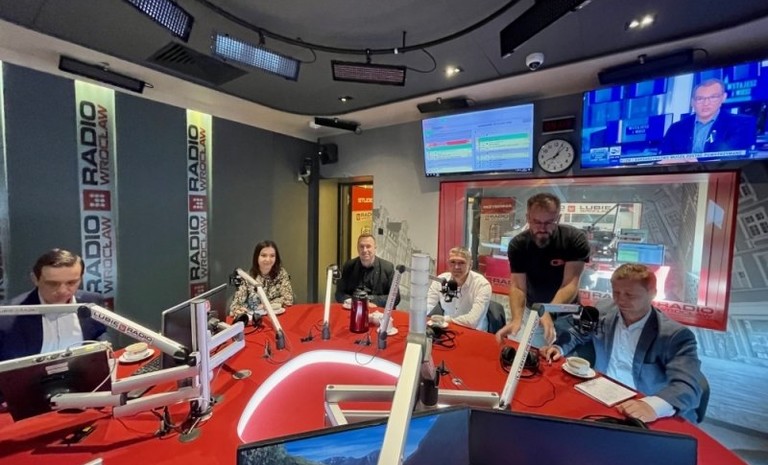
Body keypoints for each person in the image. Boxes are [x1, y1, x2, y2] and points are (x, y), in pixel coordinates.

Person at [542, 264, 706, 424]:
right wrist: (558, 347)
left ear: (652, 293)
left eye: (630, 295)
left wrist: (652, 406)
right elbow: (579, 332)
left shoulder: (674, 335)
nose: (620, 300)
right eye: (616, 292)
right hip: (600, 393)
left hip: (642, 405)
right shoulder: (604, 309)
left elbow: (688, 386)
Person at [496, 193, 590, 347]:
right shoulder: (518, 245)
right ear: (528, 218)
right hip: (533, 311)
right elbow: (518, 287)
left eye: (549, 222)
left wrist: (548, 310)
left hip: (565, 314)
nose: (542, 228)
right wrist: (516, 319)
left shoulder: (574, 239)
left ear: (558, 218)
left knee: (561, 355)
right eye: (536, 222)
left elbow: (570, 284)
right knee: (532, 354)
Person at [0, 248, 108, 362]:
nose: (62, 291)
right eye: (52, 284)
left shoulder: (92, 301)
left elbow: (101, 335)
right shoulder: (7, 317)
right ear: (35, 279)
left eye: (71, 282)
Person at [660, 78, 756, 156]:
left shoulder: (743, 124)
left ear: (723, 98)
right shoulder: (676, 128)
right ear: (692, 102)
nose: (706, 103)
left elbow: (732, 156)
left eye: (713, 97)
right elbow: (663, 158)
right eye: (700, 98)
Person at [427, 246, 492, 330]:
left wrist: (443, 319)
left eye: (461, 263)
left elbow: (472, 321)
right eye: (452, 262)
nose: (456, 267)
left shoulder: (482, 285)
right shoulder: (441, 280)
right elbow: (427, 305)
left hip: (473, 331)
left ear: (470, 265)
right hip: (447, 328)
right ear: (448, 263)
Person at [230, 240, 294, 317]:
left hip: (277, 317)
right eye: (264, 255)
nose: (268, 259)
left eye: (272, 256)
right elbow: (235, 306)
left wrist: (264, 305)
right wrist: (238, 310)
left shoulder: (281, 273)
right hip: (255, 318)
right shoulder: (247, 277)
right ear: (257, 257)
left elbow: (288, 300)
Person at [335, 233, 399, 308]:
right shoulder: (348, 266)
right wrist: (353, 301)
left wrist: (371, 301)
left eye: (368, 246)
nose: (365, 250)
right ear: (357, 248)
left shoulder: (387, 267)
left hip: (377, 310)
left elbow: (395, 296)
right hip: (354, 309)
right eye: (361, 246)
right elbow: (339, 293)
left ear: (375, 248)